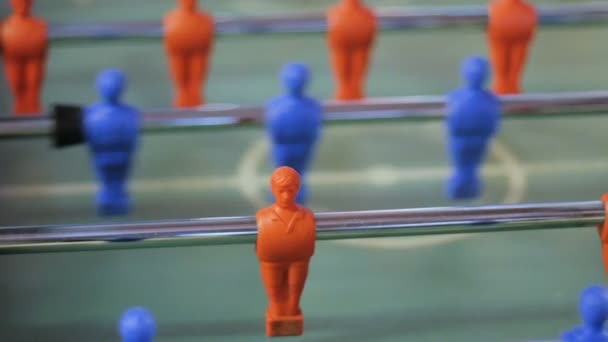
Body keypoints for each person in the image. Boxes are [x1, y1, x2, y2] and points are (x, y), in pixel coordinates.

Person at [255, 167, 316, 337]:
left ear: (297, 190)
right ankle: (278, 313)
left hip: (299, 260)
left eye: (291, 191)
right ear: (273, 190)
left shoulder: (306, 216)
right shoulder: (264, 216)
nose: (286, 196)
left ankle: (291, 312)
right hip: (271, 260)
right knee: (274, 291)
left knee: (295, 289)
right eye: (281, 191)